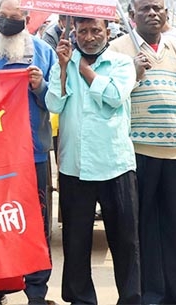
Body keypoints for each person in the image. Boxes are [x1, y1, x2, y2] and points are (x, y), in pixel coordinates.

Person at [110, 0, 176, 304]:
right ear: (132, 15)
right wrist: (132, 70)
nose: (153, 14)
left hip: (175, 151)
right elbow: (111, 100)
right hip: (136, 152)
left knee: (173, 223)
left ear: (166, 13)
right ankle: (150, 292)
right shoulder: (116, 50)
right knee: (143, 225)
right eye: (145, 9)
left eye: (158, 8)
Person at [45, 16, 141, 304]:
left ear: (107, 32)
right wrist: (63, 69)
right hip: (75, 165)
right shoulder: (64, 62)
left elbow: (113, 96)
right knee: (76, 239)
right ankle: (80, 298)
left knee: (125, 239)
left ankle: (131, 297)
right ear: (74, 33)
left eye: (95, 30)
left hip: (116, 164)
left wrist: (86, 71)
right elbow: (53, 104)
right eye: (83, 31)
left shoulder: (122, 63)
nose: (89, 36)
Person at [0, 0, 56, 305]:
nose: (9, 22)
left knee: (36, 222)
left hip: (33, 152)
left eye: (16, 17)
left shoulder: (43, 53)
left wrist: (40, 87)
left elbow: (57, 101)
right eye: (4, 16)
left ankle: (37, 291)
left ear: (26, 19)